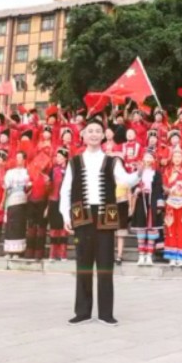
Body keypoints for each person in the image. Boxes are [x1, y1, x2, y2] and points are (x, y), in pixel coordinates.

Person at [59, 119, 140, 326]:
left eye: (98, 131)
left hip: (106, 214)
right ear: (84, 135)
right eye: (90, 131)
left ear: (104, 136)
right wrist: (66, 216)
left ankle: (106, 313)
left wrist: (139, 172)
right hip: (81, 213)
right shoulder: (74, 162)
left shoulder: (112, 161)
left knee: (105, 264)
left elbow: (126, 181)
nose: (94, 134)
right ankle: (82, 312)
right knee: (83, 263)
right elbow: (65, 190)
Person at [131, 151, 164, 266]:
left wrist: (160, 204)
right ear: (143, 159)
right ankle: (141, 255)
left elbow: (159, 189)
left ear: (154, 160)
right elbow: (133, 184)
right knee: (141, 229)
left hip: (153, 202)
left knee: (152, 229)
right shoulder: (138, 172)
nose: (148, 159)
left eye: (150, 157)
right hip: (141, 201)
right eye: (146, 156)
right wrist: (136, 190)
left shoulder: (157, 173)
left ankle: (149, 255)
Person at [162, 148, 182, 268]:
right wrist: (170, 188)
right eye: (175, 157)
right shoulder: (167, 172)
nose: (177, 159)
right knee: (170, 228)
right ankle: (171, 256)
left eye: (179, 157)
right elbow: (164, 187)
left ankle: (181, 256)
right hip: (171, 202)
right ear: (172, 158)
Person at [3, 152, 31, 257]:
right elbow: (6, 187)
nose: (18, 160)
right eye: (17, 157)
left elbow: (30, 185)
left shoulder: (27, 171)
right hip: (11, 199)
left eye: (20, 158)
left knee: (20, 224)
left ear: (24, 159)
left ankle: (18, 251)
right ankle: (9, 250)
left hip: (23, 200)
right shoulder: (10, 172)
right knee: (10, 224)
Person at [47, 149, 69, 262]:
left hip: (65, 201)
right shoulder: (53, 170)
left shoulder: (70, 170)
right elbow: (49, 185)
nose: (58, 159)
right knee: (54, 228)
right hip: (54, 200)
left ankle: (63, 253)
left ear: (65, 158)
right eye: (57, 157)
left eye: (60, 157)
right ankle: (52, 253)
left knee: (63, 228)